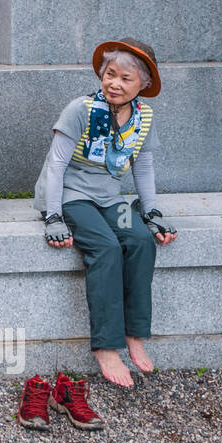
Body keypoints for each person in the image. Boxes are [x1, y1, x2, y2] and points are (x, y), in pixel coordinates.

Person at [32, 38, 177, 393]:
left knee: (141, 241)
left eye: (125, 78)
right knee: (107, 248)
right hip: (73, 197)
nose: (115, 83)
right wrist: (53, 216)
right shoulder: (79, 110)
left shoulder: (142, 118)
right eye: (110, 74)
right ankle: (106, 346)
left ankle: (134, 333)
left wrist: (152, 211)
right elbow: (56, 165)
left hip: (111, 200)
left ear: (142, 84)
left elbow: (143, 167)